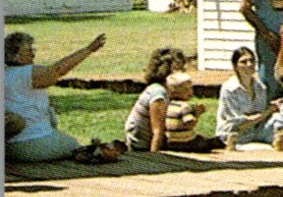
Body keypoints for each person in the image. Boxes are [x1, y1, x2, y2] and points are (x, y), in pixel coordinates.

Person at [4, 31, 124, 164]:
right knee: (74, 145)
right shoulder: (27, 74)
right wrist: (89, 49)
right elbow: (58, 70)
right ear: (16, 53)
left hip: (10, 146)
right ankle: (93, 153)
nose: (33, 53)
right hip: (32, 143)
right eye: (28, 50)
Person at [125, 46, 190, 153]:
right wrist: (154, 159)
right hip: (142, 146)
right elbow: (157, 130)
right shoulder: (158, 93)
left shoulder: (159, 89)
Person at [241, 0, 283, 100]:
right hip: (270, 39)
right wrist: (266, 34)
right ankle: (263, 118)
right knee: (269, 84)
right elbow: (245, 8)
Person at [216, 45, 277, 147]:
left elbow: (260, 115)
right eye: (244, 62)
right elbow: (238, 125)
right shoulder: (229, 89)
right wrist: (267, 112)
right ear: (235, 66)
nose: (249, 64)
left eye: (252, 61)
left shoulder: (260, 87)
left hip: (254, 133)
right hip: (233, 136)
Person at [162, 73, 225, 151]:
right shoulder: (184, 106)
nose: (190, 92)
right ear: (175, 92)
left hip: (171, 142)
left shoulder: (169, 105)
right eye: (186, 90)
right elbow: (190, 124)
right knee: (211, 141)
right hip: (186, 141)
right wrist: (198, 113)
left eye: (190, 89)